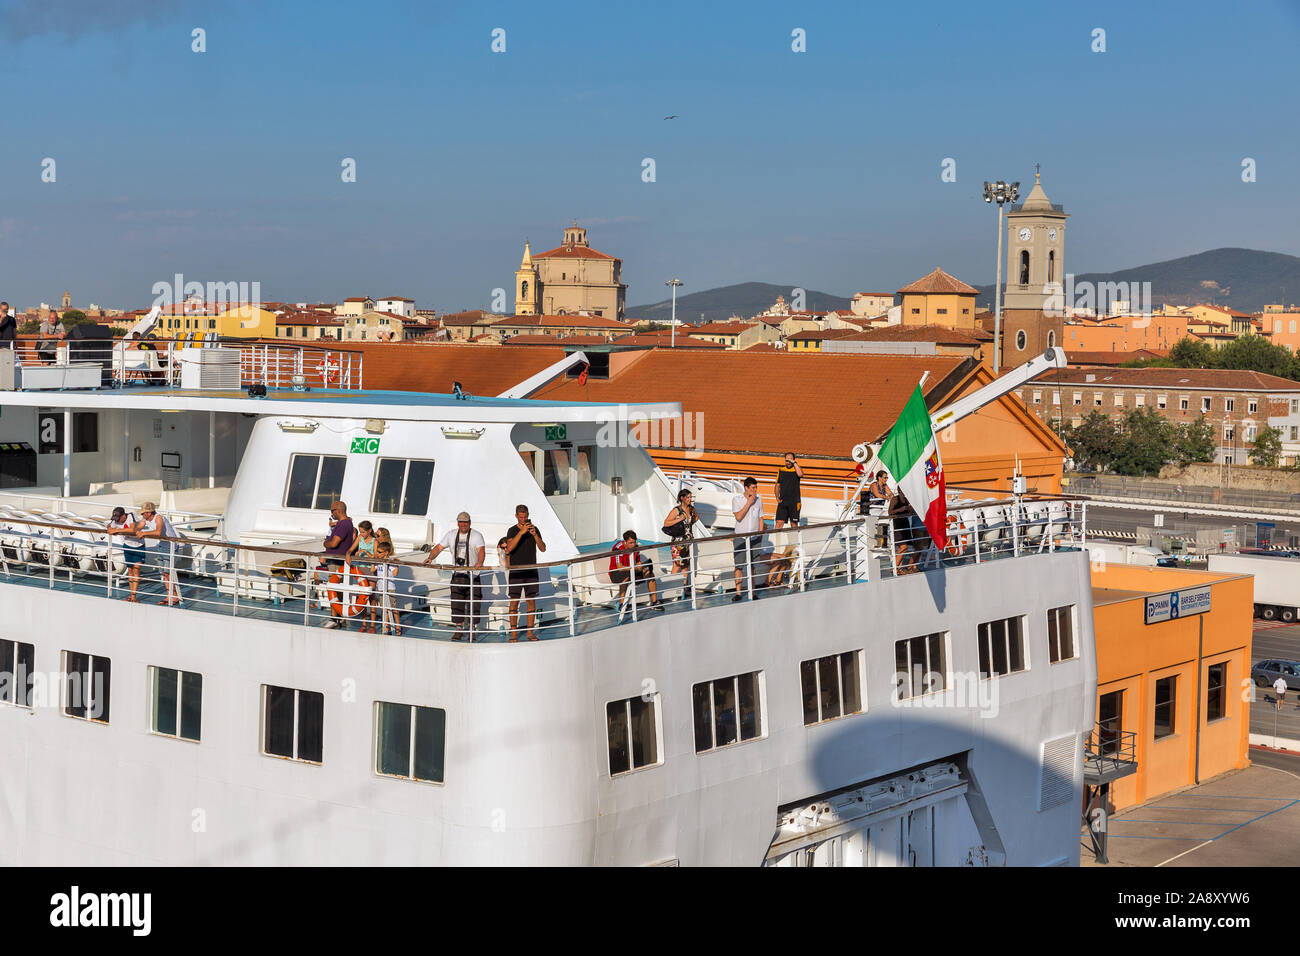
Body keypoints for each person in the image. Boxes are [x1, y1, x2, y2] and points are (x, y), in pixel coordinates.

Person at [423, 511, 485, 640]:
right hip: (457, 574)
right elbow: (439, 547)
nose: (463, 524)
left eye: (465, 522)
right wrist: (430, 558)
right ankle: (459, 629)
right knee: (456, 603)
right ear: (457, 522)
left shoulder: (477, 536)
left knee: (474, 603)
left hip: (473, 575)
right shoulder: (451, 535)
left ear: (470, 523)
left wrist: (479, 562)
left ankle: (472, 630)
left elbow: (481, 551)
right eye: (460, 522)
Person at [503, 504, 546, 641]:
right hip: (516, 571)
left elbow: (543, 548)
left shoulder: (535, 529)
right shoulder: (511, 530)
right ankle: (514, 633)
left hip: (531, 571)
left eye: (525, 517)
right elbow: (509, 548)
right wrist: (521, 532)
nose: (523, 519)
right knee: (514, 602)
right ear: (516, 516)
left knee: (531, 601)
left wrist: (534, 535)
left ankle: (529, 632)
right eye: (521, 517)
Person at [136, 502, 183, 605]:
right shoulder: (146, 519)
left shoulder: (158, 518)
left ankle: (174, 597)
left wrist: (143, 533)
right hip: (162, 546)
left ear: (149, 512)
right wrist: (134, 531)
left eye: (143, 513)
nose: (142, 515)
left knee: (168, 573)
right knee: (164, 573)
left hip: (171, 547)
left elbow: (158, 532)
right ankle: (170, 595)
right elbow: (139, 526)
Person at [321, 500, 355, 629]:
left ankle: (334, 618)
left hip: (336, 561)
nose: (331, 514)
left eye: (332, 511)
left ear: (338, 510)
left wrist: (325, 543)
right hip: (337, 561)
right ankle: (339, 617)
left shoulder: (342, 524)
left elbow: (334, 543)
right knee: (338, 590)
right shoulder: (347, 523)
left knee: (333, 590)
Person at [609, 530, 663, 610]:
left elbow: (637, 561)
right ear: (625, 542)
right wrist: (634, 568)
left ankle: (654, 602)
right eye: (631, 543)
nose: (633, 545)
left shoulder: (636, 547)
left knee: (650, 574)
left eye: (634, 542)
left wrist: (640, 566)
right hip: (616, 573)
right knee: (626, 577)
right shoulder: (618, 548)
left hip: (631, 571)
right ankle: (622, 604)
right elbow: (619, 567)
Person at [731, 476, 765, 601]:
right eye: (753, 488)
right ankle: (738, 593)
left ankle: (752, 591)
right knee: (739, 565)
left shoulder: (759, 500)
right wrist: (749, 503)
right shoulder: (737, 500)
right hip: (741, 538)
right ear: (746, 488)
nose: (755, 490)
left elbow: (761, 518)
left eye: (756, 487)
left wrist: (760, 534)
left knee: (753, 565)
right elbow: (739, 517)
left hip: (755, 538)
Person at [106, 505, 145, 602]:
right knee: (130, 571)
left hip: (139, 546)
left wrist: (117, 530)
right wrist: (112, 529)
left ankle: (133, 596)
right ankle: (132, 595)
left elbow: (132, 529)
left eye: (118, 518)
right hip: (127, 546)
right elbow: (109, 527)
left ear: (123, 516)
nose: (117, 521)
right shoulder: (116, 520)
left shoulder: (131, 516)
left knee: (136, 570)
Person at [348, 521, 378, 632]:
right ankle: (364, 624)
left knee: (372, 598)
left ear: (369, 530)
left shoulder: (375, 541)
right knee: (363, 597)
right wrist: (355, 554)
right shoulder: (360, 538)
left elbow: (376, 556)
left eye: (364, 532)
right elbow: (351, 550)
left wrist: (367, 554)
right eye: (360, 531)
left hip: (370, 570)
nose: (362, 534)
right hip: (361, 570)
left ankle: (373, 625)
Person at [662, 489, 698, 582]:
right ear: (682, 498)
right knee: (677, 565)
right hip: (678, 542)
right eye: (687, 497)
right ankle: (672, 587)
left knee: (685, 565)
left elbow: (696, 518)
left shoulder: (691, 509)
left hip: (688, 541)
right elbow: (666, 523)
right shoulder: (676, 510)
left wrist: (688, 524)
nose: (689, 499)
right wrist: (679, 520)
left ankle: (684, 588)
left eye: (690, 497)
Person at [373, 541, 401, 635]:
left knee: (393, 608)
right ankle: (387, 627)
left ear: (386, 553)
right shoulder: (379, 561)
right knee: (384, 609)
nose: (378, 553)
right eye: (377, 551)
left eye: (380, 552)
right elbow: (372, 570)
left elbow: (395, 573)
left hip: (390, 587)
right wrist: (374, 560)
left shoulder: (390, 561)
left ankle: (397, 626)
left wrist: (397, 564)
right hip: (381, 588)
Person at [774, 453, 803, 529]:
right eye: (787, 460)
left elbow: (800, 474)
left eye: (790, 460)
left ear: (793, 460)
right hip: (783, 501)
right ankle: (777, 541)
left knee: (793, 525)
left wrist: (794, 463)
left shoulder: (797, 469)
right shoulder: (781, 470)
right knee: (778, 523)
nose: (788, 462)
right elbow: (777, 485)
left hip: (794, 502)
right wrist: (777, 497)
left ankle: (794, 541)